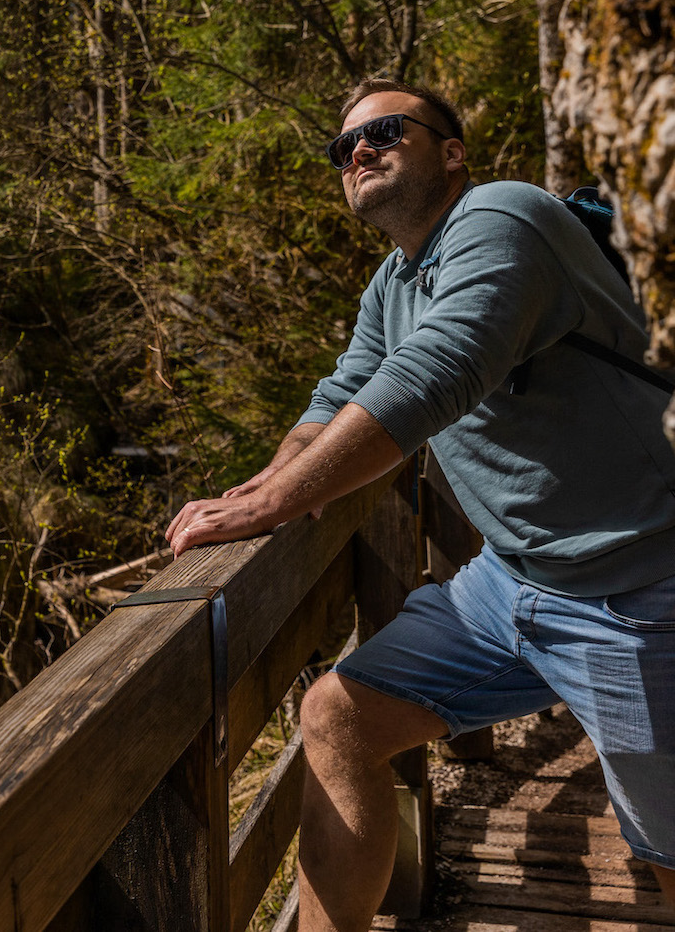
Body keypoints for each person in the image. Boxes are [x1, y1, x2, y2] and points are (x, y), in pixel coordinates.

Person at [164, 78, 675, 931]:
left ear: (452, 151)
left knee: (667, 862)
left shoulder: (504, 219)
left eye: (386, 132)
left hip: (639, 594)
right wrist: (259, 490)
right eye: (343, 148)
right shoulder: (395, 281)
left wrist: (283, 498)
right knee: (339, 717)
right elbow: (339, 396)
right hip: (509, 584)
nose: (358, 150)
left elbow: (437, 372)